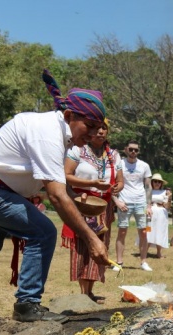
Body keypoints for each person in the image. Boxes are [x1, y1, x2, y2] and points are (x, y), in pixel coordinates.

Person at [0, 69, 109, 331]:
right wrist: (92, 239)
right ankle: (27, 304)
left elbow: (58, 188)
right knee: (43, 232)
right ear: (69, 116)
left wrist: (76, 201)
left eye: (97, 128)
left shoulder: (63, 135)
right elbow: (56, 197)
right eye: (89, 127)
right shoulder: (46, 133)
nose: (93, 135)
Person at [63, 123, 124, 304]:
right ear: (90, 131)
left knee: (99, 247)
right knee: (82, 247)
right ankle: (83, 293)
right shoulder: (78, 150)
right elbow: (66, 174)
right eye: (97, 128)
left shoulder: (113, 155)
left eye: (104, 128)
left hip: (102, 207)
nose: (100, 131)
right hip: (82, 204)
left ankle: (90, 292)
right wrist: (92, 184)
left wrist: (115, 188)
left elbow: (121, 181)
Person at [113, 140, 152, 272]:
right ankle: (119, 262)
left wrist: (149, 205)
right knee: (122, 231)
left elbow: (148, 186)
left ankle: (143, 262)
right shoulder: (119, 164)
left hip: (141, 202)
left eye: (136, 150)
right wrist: (117, 200)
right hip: (124, 201)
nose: (133, 152)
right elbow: (112, 183)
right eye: (131, 149)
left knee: (143, 232)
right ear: (126, 149)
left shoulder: (144, 166)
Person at [145, 173, 171, 258]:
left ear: (161, 183)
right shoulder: (148, 191)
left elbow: (167, 206)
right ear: (152, 182)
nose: (157, 183)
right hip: (150, 213)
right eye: (155, 181)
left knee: (160, 231)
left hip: (161, 214)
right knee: (148, 230)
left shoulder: (165, 192)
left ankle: (159, 252)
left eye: (159, 182)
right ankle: (144, 251)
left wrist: (169, 197)